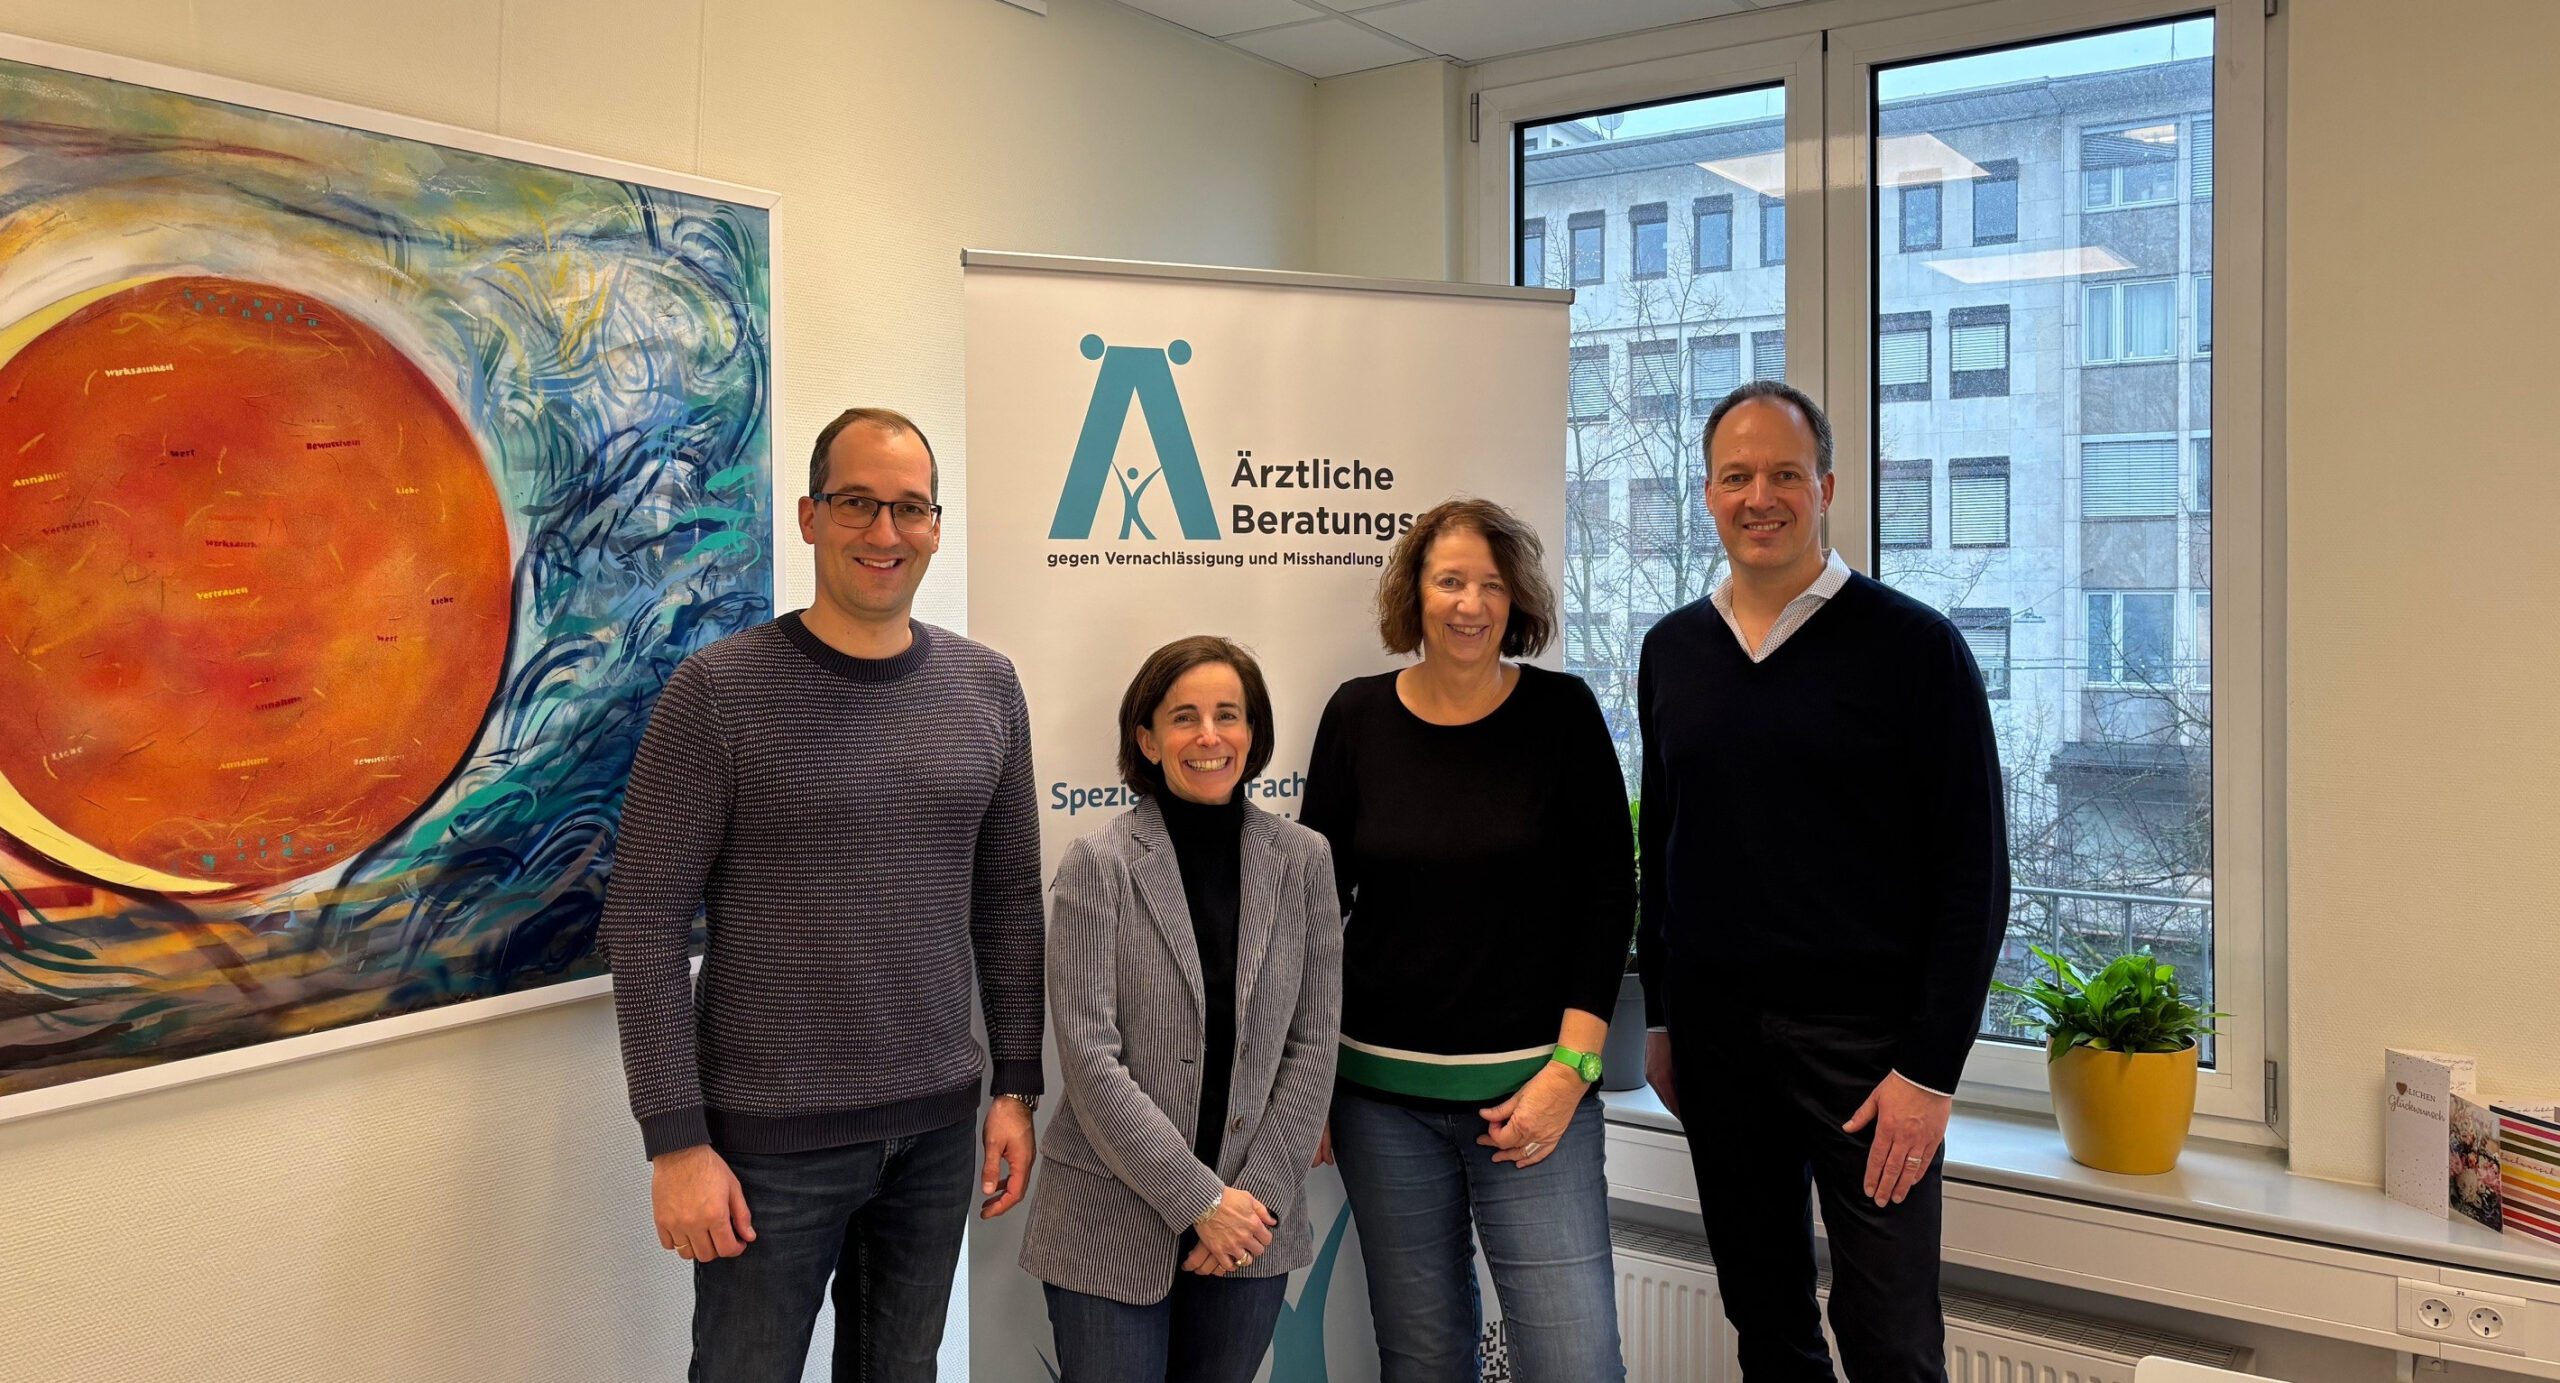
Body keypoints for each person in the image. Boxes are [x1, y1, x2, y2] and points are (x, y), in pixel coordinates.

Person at [601, 406, 1044, 1382]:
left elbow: (1009, 898)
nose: (885, 532)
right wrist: (675, 1143)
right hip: (768, 1148)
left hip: (936, 1130)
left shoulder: (987, 688)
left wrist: (1016, 1085)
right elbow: (643, 923)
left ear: (936, 526)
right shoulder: (719, 693)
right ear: (809, 516)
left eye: (910, 508)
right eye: (856, 504)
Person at [1637, 380, 2008, 1383]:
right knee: (1766, 1323)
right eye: (1736, 476)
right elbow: (1663, 848)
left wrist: (1930, 1072)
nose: (1759, 497)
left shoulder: (1915, 649)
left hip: (1870, 1059)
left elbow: (1974, 876)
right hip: (1717, 1046)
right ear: (1707, 494)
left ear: (1827, 488)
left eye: (1785, 475)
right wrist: (1662, 1019)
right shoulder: (1672, 650)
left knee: (1892, 1341)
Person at [1299, 497, 1632, 1383]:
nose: (1471, 604)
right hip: (1381, 1105)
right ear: (1415, 593)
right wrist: (1309, 1081)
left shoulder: (1562, 713)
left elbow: (1609, 897)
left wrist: (1573, 1070)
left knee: (1575, 1360)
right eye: (1450, 580)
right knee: (1423, 1359)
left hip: (1538, 1096)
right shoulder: (1357, 716)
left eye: (1491, 584)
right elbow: (1313, 911)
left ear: (1516, 599)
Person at [1020, 635, 1343, 1383]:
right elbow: (1089, 1058)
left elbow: (1313, 1042)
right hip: (1109, 1219)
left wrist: (1250, 1207)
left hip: (1252, 1223)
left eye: (1228, 715)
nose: (1208, 736)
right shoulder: (1098, 863)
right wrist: (1200, 1202)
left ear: (1253, 732)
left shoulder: (1303, 860)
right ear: (1147, 739)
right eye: (1184, 717)